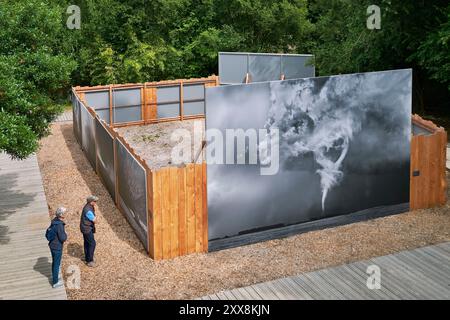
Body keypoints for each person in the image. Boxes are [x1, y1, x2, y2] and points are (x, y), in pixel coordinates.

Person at [46, 207, 68, 288]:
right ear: (61, 215)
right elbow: (63, 238)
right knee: (56, 264)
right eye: (64, 213)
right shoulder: (60, 225)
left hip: (52, 245)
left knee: (54, 262)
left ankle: (55, 277)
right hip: (57, 247)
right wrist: (66, 234)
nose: (66, 214)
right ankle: (55, 282)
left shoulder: (54, 221)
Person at [80, 195, 98, 267]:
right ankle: (90, 261)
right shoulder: (88, 210)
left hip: (85, 227)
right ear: (91, 202)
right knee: (92, 243)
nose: (96, 202)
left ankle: (87, 258)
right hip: (87, 229)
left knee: (87, 243)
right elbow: (95, 220)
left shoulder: (88, 206)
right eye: (95, 201)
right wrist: (96, 217)